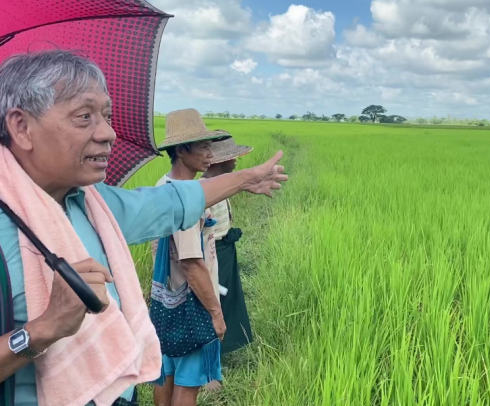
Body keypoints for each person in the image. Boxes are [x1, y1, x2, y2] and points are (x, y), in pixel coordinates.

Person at [0, 50, 288, 406]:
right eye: (84, 116)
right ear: (22, 127)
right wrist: (43, 329)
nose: (108, 133)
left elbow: (168, 203)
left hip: (117, 392)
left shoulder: (92, 202)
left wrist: (245, 178)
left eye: (106, 115)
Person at [151, 109, 228, 406]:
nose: (210, 154)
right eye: (204, 146)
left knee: (166, 372)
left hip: (165, 301)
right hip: (191, 303)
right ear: (181, 150)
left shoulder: (162, 185)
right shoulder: (186, 197)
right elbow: (191, 262)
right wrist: (216, 314)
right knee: (188, 384)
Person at [202, 138, 254, 357]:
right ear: (219, 161)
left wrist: (227, 234)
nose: (236, 161)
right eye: (232, 157)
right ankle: (208, 357)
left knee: (226, 297)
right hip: (211, 254)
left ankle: (224, 347)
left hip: (224, 249)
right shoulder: (205, 190)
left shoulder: (219, 185)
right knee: (211, 301)